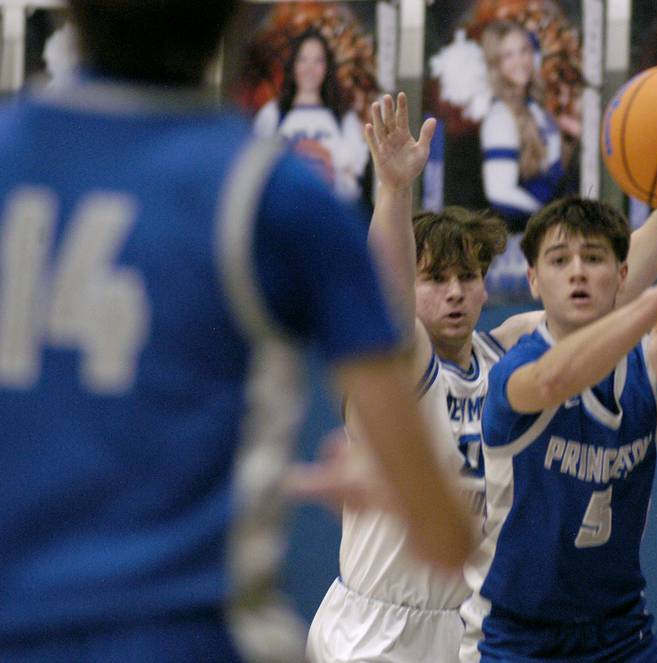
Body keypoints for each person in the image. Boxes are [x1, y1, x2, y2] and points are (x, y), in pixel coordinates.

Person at [0, 2, 474, 662]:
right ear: (242, 19)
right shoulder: (276, 194)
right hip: (191, 635)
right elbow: (447, 537)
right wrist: (368, 487)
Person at [306, 93, 657, 663]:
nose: (455, 292)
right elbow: (385, 295)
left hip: (469, 627)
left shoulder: (509, 355)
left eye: (468, 277)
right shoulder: (402, 360)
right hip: (376, 629)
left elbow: (614, 289)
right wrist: (394, 190)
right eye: (436, 279)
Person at [460, 198, 657, 662]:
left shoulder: (649, 358)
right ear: (533, 279)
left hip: (621, 631)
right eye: (559, 260)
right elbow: (553, 381)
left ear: (623, 274)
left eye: (593, 258)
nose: (578, 272)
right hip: (518, 636)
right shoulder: (517, 367)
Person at [253, 28, 369, 202]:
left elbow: (352, 179)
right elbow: (257, 171)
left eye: (318, 60)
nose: (310, 68)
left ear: (327, 67)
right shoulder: (272, 114)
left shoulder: (344, 117)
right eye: (303, 59)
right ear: (293, 65)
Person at [479, 21, 572, 232]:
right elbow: (499, 192)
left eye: (524, 51)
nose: (520, 61)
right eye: (508, 55)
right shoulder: (500, 117)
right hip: (522, 236)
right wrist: (547, 219)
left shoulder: (533, 106)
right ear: (495, 64)